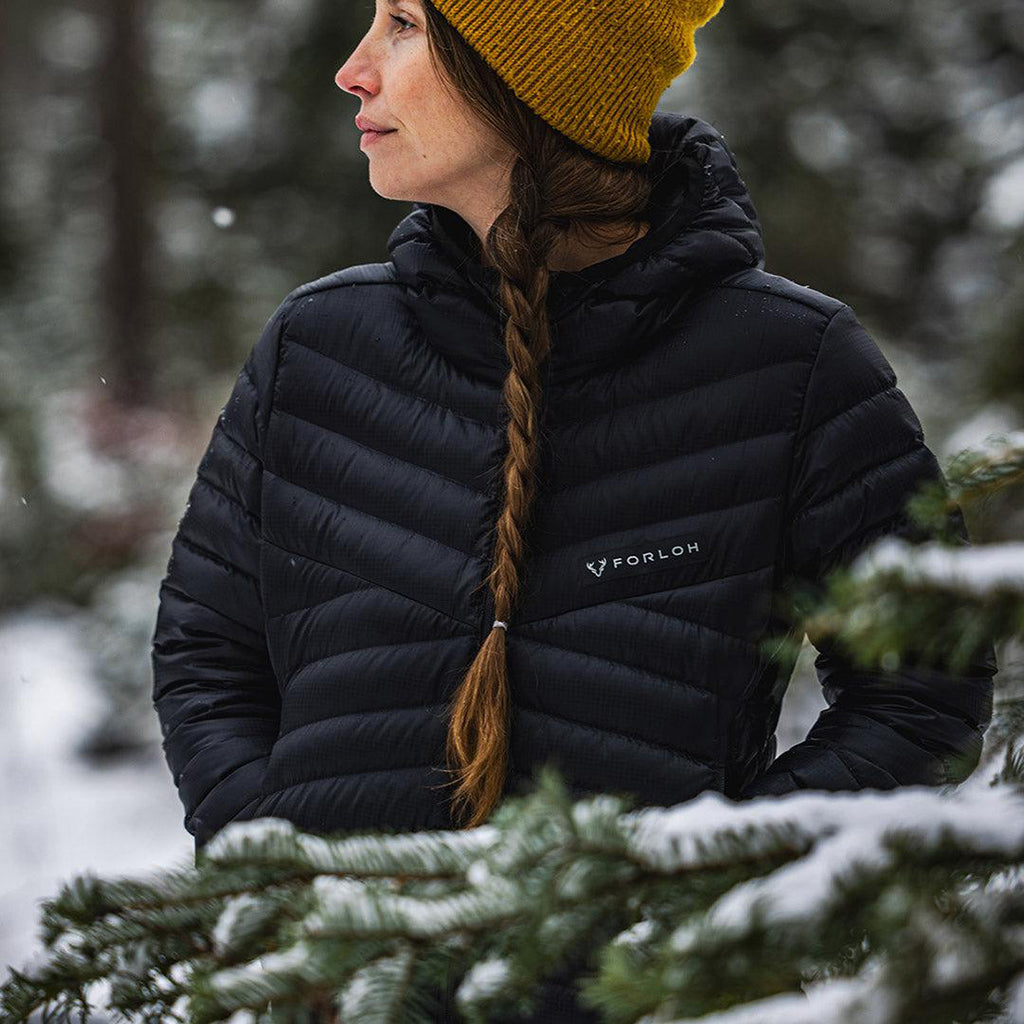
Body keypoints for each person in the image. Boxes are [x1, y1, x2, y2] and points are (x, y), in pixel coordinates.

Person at [150, 0, 1000, 1020]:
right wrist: (282, 882)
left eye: (405, 24)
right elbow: (208, 653)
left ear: (535, 76)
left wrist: (707, 893)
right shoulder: (317, 347)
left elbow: (921, 694)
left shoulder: (790, 365)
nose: (354, 69)